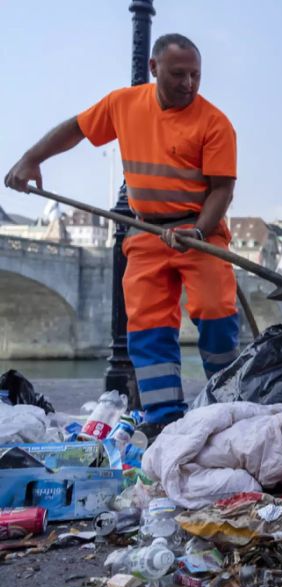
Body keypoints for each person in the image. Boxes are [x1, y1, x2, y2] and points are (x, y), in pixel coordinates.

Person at [4, 34, 240, 436]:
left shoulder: (214, 123)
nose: (188, 83)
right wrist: (31, 158)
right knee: (147, 327)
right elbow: (76, 129)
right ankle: (164, 419)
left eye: (196, 75)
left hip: (199, 232)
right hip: (146, 231)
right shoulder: (124, 104)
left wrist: (197, 230)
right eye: (178, 74)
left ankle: (231, 404)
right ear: (153, 69)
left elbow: (222, 189)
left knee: (216, 312)